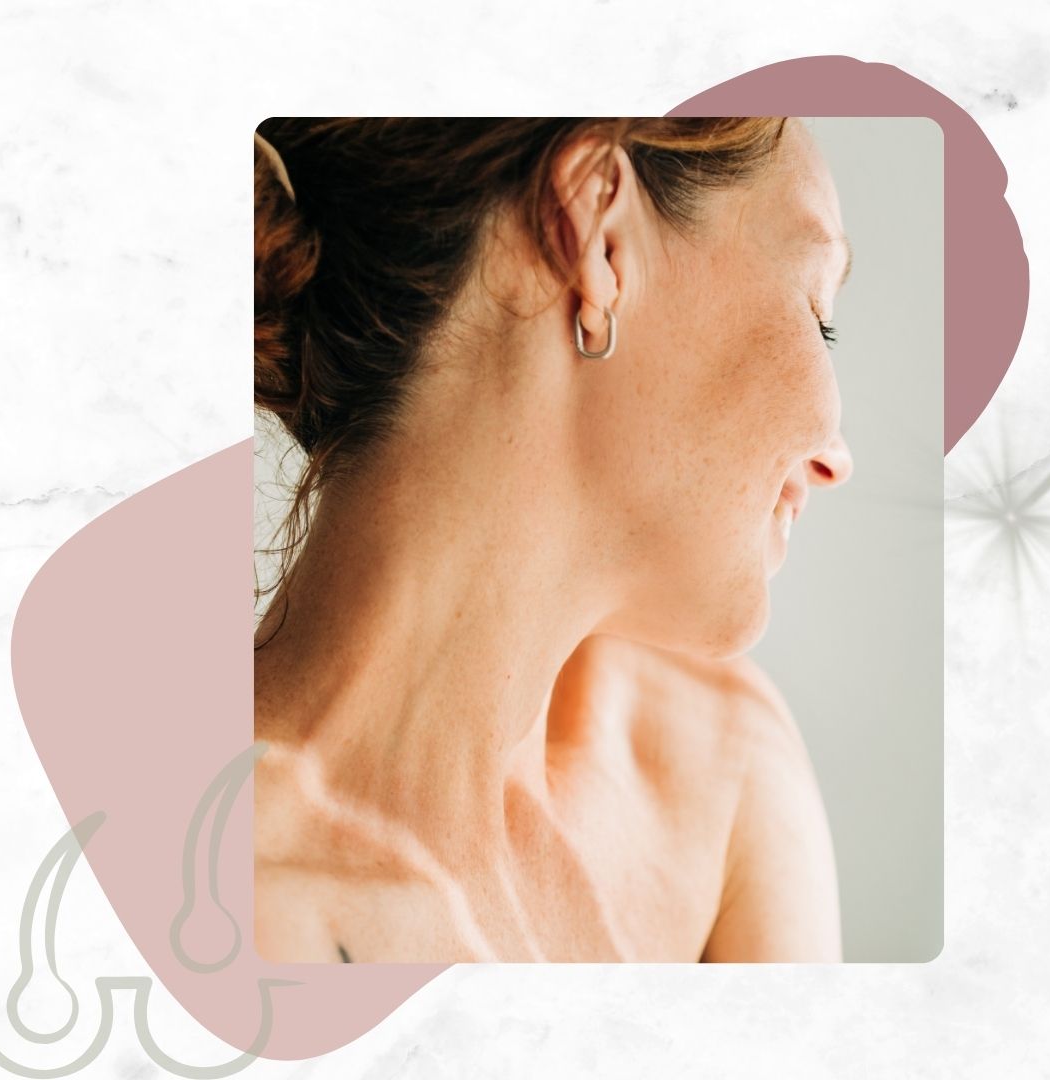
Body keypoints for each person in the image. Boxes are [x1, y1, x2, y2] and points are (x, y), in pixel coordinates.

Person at [251, 117, 855, 962]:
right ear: (599, 232)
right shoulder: (218, 903)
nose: (837, 460)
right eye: (818, 312)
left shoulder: (717, 772)